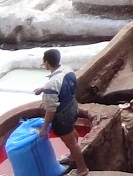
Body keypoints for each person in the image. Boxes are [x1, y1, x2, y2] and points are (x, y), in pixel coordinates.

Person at [35, 48, 88, 176]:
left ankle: (82, 169)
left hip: (62, 117)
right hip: (72, 108)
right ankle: (72, 156)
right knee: (71, 133)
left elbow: (51, 110)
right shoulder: (68, 70)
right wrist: (44, 88)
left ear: (46, 63)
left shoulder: (51, 84)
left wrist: (44, 128)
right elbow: (61, 84)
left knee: (71, 143)